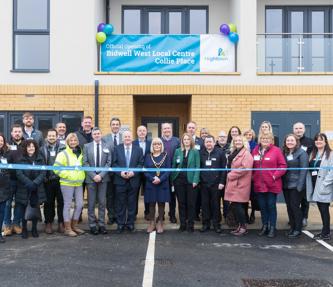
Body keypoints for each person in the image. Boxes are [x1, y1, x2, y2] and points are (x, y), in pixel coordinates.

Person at [252, 132, 287, 238]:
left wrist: (274, 176)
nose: (265, 140)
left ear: (271, 140)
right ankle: (265, 226)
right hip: (259, 184)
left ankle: (272, 227)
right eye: (263, 138)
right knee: (262, 207)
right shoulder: (255, 151)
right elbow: (252, 165)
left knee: (271, 206)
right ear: (259, 140)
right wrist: (254, 177)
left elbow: (283, 166)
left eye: (267, 138)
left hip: (272, 184)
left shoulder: (276, 150)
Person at [53, 133, 86, 237]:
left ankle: (74, 226)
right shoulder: (63, 154)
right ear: (67, 142)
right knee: (67, 205)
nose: (73, 142)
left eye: (74, 140)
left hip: (79, 183)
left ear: (77, 142)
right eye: (71, 141)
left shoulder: (80, 153)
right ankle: (67, 228)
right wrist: (68, 175)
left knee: (80, 204)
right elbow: (56, 168)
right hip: (67, 183)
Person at [112, 131, 144, 233]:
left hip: (133, 180)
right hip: (120, 180)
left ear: (132, 138)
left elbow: (140, 164)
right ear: (123, 138)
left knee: (132, 203)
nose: (127, 138)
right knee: (120, 203)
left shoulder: (138, 150)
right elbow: (114, 163)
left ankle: (130, 223)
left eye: (129, 137)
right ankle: (120, 224)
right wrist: (120, 172)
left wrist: (133, 172)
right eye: (125, 137)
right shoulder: (117, 148)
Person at [83, 127, 112, 235]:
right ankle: (92, 225)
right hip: (91, 179)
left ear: (101, 134)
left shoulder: (107, 146)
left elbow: (109, 163)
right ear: (92, 135)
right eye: (95, 134)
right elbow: (85, 163)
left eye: (98, 133)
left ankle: (101, 224)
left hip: (103, 179)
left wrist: (101, 175)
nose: (97, 135)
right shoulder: (86, 146)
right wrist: (94, 175)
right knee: (91, 203)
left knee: (102, 202)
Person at [16, 139, 46, 239]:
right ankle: (24, 229)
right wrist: (28, 183)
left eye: (33, 146)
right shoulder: (21, 159)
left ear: (35, 148)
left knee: (35, 208)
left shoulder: (40, 158)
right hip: (24, 188)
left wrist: (35, 183)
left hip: (36, 188)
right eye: (29, 146)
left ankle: (34, 228)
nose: (31, 148)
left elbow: (43, 172)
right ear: (25, 148)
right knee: (23, 209)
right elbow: (19, 173)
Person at [225, 135, 253, 236]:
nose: (237, 142)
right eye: (235, 140)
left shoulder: (247, 154)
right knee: (236, 206)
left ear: (244, 142)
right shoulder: (234, 152)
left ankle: (243, 227)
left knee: (237, 205)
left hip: (241, 184)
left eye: (240, 140)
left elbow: (245, 169)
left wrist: (230, 175)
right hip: (234, 183)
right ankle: (240, 226)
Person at [171, 133, 200, 232]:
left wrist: (196, 180)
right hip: (179, 180)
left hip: (191, 181)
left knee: (191, 203)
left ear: (191, 141)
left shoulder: (195, 152)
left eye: (188, 139)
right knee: (181, 203)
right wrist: (173, 178)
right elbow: (174, 165)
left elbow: (197, 167)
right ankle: (183, 224)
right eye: (184, 139)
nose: (186, 141)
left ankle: (190, 224)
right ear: (182, 141)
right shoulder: (177, 151)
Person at [306, 133, 333, 241]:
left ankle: (326, 233)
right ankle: (324, 231)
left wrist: (325, 183)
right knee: (321, 209)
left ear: (325, 141)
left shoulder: (330, 154)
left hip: (324, 185)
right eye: (316, 140)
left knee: (324, 209)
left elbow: (332, 171)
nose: (318, 142)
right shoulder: (313, 153)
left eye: (321, 140)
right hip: (314, 184)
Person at [282, 134, 308, 239]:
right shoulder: (285, 152)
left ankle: (298, 229)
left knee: (295, 207)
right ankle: (292, 227)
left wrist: (300, 186)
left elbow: (304, 170)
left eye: (292, 140)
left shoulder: (302, 153)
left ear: (296, 141)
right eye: (288, 140)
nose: (290, 142)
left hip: (297, 185)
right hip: (286, 185)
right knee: (289, 207)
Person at [40, 129, 66, 234]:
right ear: (47, 137)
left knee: (61, 203)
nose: (51, 137)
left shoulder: (63, 148)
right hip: (48, 180)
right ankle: (48, 223)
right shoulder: (42, 149)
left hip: (60, 180)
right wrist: (44, 177)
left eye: (53, 135)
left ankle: (61, 223)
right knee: (48, 203)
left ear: (57, 136)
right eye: (49, 136)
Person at [200, 135, 227, 233]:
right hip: (204, 184)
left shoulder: (220, 153)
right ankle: (205, 224)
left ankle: (216, 224)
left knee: (215, 205)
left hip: (216, 184)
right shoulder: (201, 153)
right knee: (205, 205)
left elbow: (224, 169)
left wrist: (222, 182)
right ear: (204, 143)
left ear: (214, 142)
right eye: (207, 142)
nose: (208, 144)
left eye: (210, 142)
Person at [144, 138, 171, 234]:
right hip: (150, 183)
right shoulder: (148, 156)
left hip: (162, 183)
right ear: (152, 145)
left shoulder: (166, 156)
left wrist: (160, 179)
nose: (157, 146)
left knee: (161, 203)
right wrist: (152, 179)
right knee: (151, 203)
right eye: (155, 144)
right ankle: (152, 222)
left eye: (159, 144)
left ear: (161, 145)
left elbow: (168, 170)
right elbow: (145, 170)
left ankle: (160, 222)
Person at [2, 124, 25, 237]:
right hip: (9, 179)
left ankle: (16, 224)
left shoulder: (26, 145)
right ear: (11, 133)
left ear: (22, 133)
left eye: (19, 131)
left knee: (20, 202)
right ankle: (7, 225)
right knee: (7, 203)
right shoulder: (6, 146)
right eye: (15, 131)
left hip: (22, 179)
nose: (17, 133)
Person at [293, 122, 314, 227]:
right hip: (292, 174)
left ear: (304, 130)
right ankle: (295, 217)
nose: (298, 130)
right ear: (293, 130)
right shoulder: (290, 141)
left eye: (300, 128)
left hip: (305, 174)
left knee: (305, 198)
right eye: (296, 128)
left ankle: (304, 217)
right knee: (294, 198)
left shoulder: (310, 142)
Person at [103, 117, 123, 225]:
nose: (115, 126)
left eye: (117, 124)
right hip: (109, 172)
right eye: (113, 124)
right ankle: (111, 216)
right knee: (110, 195)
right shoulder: (105, 138)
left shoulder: (123, 137)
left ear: (120, 126)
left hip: (121, 172)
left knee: (119, 195)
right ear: (110, 126)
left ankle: (119, 215)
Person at [161, 122, 180, 224]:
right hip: (162, 173)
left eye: (168, 128)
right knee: (162, 194)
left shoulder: (177, 141)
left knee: (173, 195)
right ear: (162, 130)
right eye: (165, 129)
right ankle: (161, 214)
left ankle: (172, 214)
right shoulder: (159, 141)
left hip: (173, 173)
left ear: (171, 129)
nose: (166, 130)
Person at [133, 125, 151, 220]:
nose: (142, 132)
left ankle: (147, 212)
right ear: (137, 132)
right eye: (140, 130)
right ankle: (134, 213)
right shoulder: (133, 143)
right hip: (136, 172)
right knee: (135, 193)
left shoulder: (150, 143)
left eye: (144, 130)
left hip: (148, 172)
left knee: (147, 193)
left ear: (146, 132)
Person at [186, 121, 204, 220]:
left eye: (193, 128)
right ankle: (187, 215)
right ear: (187, 129)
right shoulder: (183, 140)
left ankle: (195, 214)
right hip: (186, 174)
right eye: (189, 127)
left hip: (198, 172)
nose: (191, 129)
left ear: (196, 129)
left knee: (196, 196)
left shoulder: (201, 141)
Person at [243, 128, 259, 223]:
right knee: (244, 196)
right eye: (247, 134)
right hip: (244, 174)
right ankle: (245, 214)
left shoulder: (256, 146)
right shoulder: (242, 145)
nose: (248, 136)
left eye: (250, 135)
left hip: (253, 175)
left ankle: (252, 213)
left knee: (253, 196)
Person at [0, 134, 12, 243]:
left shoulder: (6, 154)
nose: (0, 142)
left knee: (2, 212)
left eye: (1, 141)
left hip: (4, 188)